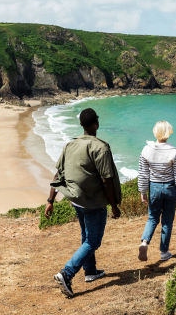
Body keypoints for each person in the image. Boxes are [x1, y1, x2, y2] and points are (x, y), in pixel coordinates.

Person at [44, 108, 122, 298]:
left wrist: (50, 201)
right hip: (93, 203)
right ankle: (66, 274)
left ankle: (91, 272)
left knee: (86, 236)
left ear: (82, 125)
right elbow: (106, 180)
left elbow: (58, 174)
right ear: (96, 123)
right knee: (93, 241)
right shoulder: (100, 147)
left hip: (75, 199)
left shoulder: (70, 144)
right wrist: (114, 205)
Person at [137, 120, 176, 262]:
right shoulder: (174, 151)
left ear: (155, 132)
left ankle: (144, 242)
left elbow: (143, 173)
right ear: (169, 132)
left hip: (154, 187)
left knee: (152, 218)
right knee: (167, 221)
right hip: (171, 189)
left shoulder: (146, 150)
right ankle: (164, 252)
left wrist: (143, 191)